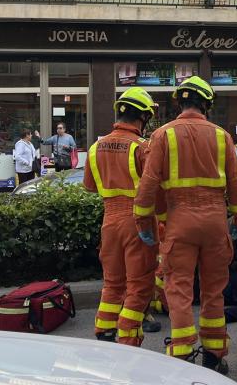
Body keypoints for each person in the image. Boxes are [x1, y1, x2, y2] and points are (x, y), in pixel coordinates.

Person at [134, 76, 237, 375]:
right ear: (207, 105)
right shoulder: (222, 136)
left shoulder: (162, 135)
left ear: (179, 103)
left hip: (179, 221)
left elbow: (148, 186)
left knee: (179, 289)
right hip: (214, 223)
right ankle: (214, 355)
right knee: (214, 291)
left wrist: (144, 222)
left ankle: (182, 356)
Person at [87, 88, 159, 346]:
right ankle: (128, 342)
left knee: (113, 284)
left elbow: (90, 186)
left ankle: (104, 332)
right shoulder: (142, 148)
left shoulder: (96, 147)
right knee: (139, 286)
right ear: (142, 117)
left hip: (109, 223)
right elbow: (153, 189)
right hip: (137, 224)